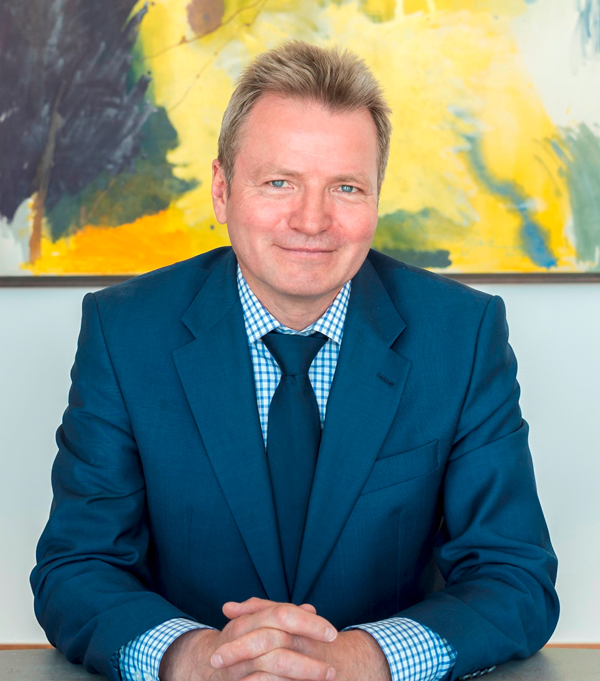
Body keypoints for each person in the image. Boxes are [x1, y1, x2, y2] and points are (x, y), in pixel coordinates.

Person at [31, 41, 559, 681]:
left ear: (376, 199)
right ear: (222, 191)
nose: (312, 221)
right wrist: (197, 659)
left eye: (346, 187)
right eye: (279, 182)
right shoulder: (124, 333)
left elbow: (514, 577)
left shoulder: (462, 336)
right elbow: (78, 567)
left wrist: (362, 659)